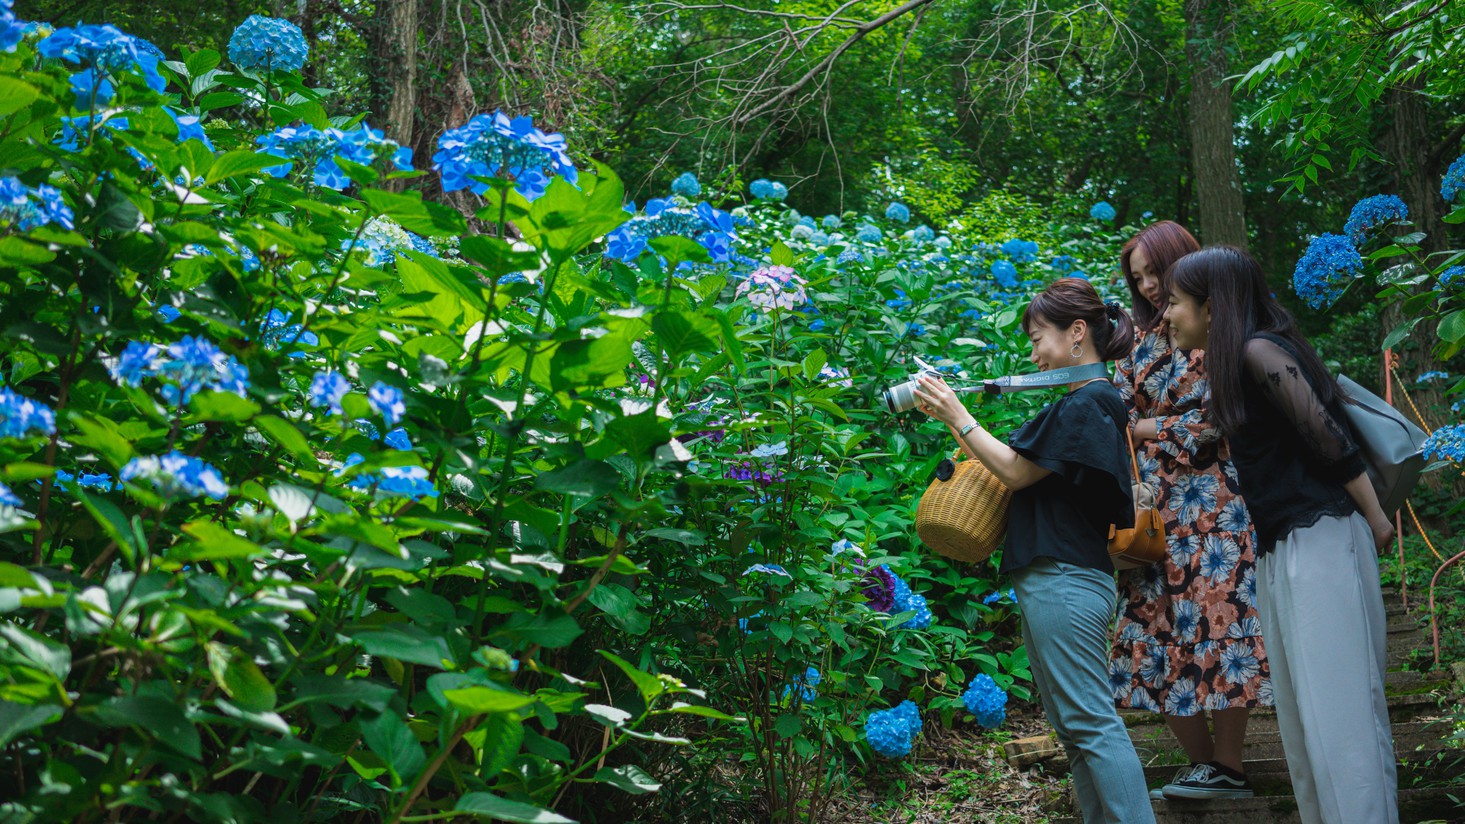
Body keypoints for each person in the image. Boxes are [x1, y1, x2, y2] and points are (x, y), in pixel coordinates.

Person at [1164, 246, 1397, 824]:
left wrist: (1375, 517)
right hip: (1282, 546)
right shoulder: (1238, 363)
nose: (1166, 314)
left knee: (1339, 715)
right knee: (1302, 717)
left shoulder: (1258, 350)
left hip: (1321, 537)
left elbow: (1326, 435)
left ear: (1212, 307)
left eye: (1173, 301)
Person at [914, 278, 1155, 824]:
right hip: (1054, 579)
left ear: (1076, 334)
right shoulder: (1083, 403)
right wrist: (955, 420)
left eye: (1037, 337)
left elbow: (1016, 472)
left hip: (1065, 581)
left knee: (1090, 723)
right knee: (1074, 730)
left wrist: (958, 415)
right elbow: (1012, 465)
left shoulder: (1091, 401)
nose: (1032, 353)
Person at [1109, 221, 1271, 800]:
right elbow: (1115, 414)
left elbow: (1215, 422)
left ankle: (1230, 765)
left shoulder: (1214, 328)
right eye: (1139, 278)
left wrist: (1147, 426)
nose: (1150, 286)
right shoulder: (1140, 342)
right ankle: (1207, 768)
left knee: (1218, 622)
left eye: (1157, 273)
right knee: (1150, 630)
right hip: (1152, 509)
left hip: (1213, 508)